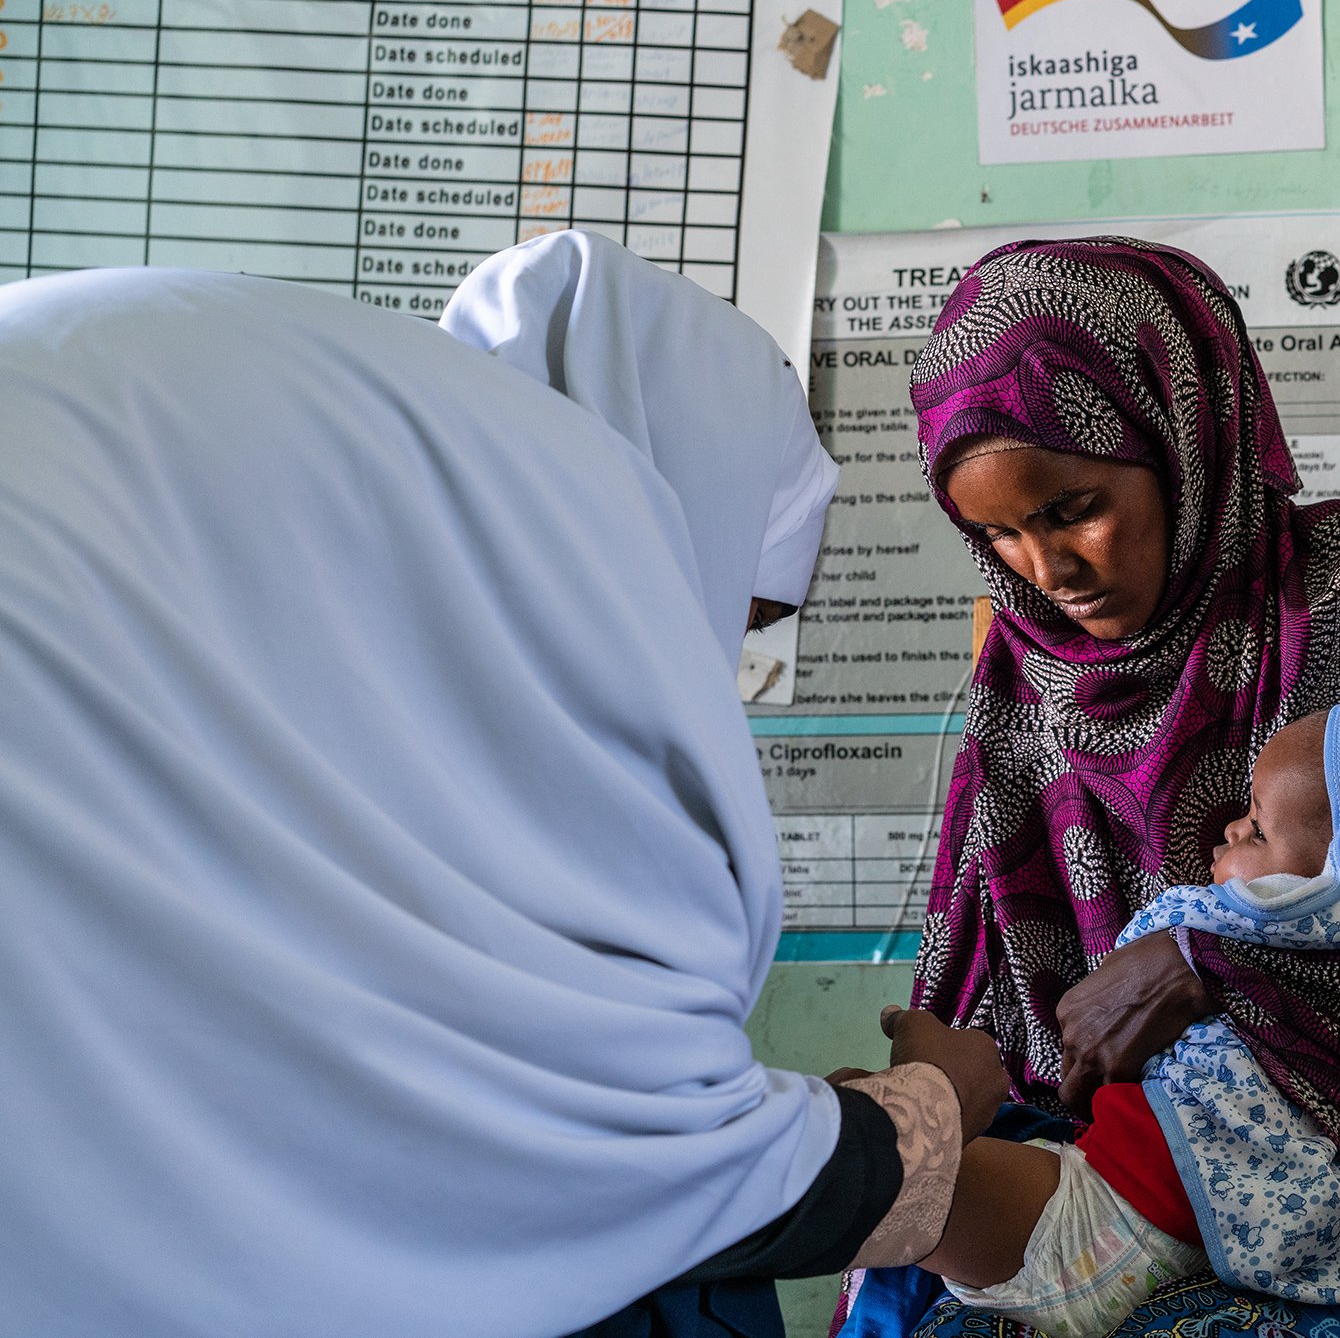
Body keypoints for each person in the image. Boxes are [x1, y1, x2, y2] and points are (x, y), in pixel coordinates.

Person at [0, 233, 1007, 1338]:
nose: (710, 671)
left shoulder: (298, 480)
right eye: (727, 610)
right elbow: (596, 1180)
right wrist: (932, 1108)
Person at [842, 237, 1340, 1337]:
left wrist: (1215, 957)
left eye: (1074, 507)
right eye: (996, 535)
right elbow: (997, 1028)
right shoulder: (1023, 681)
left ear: (1184, 439)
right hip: (1098, 1181)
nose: (1046, 573)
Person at [914, 674, 1340, 1338]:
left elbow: (1132, 954)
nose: (1229, 827)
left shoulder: (1237, 924)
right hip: (1145, 1205)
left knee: (898, 1179)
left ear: (1336, 882)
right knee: (897, 1178)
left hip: (1118, 1214)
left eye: (1256, 830)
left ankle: (914, 1108)